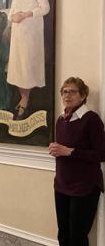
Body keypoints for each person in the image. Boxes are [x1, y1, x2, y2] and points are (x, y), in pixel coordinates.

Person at [49, 77, 105, 246]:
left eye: (72, 91)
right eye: (65, 92)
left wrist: (70, 151)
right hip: (62, 185)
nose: (67, 95)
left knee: (77, 238)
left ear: (83, 95)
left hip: (85, 187)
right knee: (63, 235)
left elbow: (102, 154)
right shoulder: (61, 120)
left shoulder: (91, 119)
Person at [7, 0, 50, 119]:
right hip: (18, 35)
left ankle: (25, 100)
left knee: (27, 68)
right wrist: (13, 17)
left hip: (31, 34)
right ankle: (23, 98)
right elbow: (11, 11)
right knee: (18, 68)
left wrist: (26, 14)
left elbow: (45, 8)